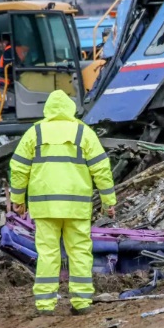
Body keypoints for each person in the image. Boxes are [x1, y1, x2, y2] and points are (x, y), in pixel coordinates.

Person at [9, 90, 116, 316]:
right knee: (79, 252)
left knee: (48, 254)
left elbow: (18, 168)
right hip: (76, 207)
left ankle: (45, 305)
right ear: (70, 108)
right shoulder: (83, 132)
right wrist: (109, 201)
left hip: (44, 206)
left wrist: (17, 199)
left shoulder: (34, 133)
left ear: (47, 109)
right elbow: (102, 169)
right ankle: (81, 302)